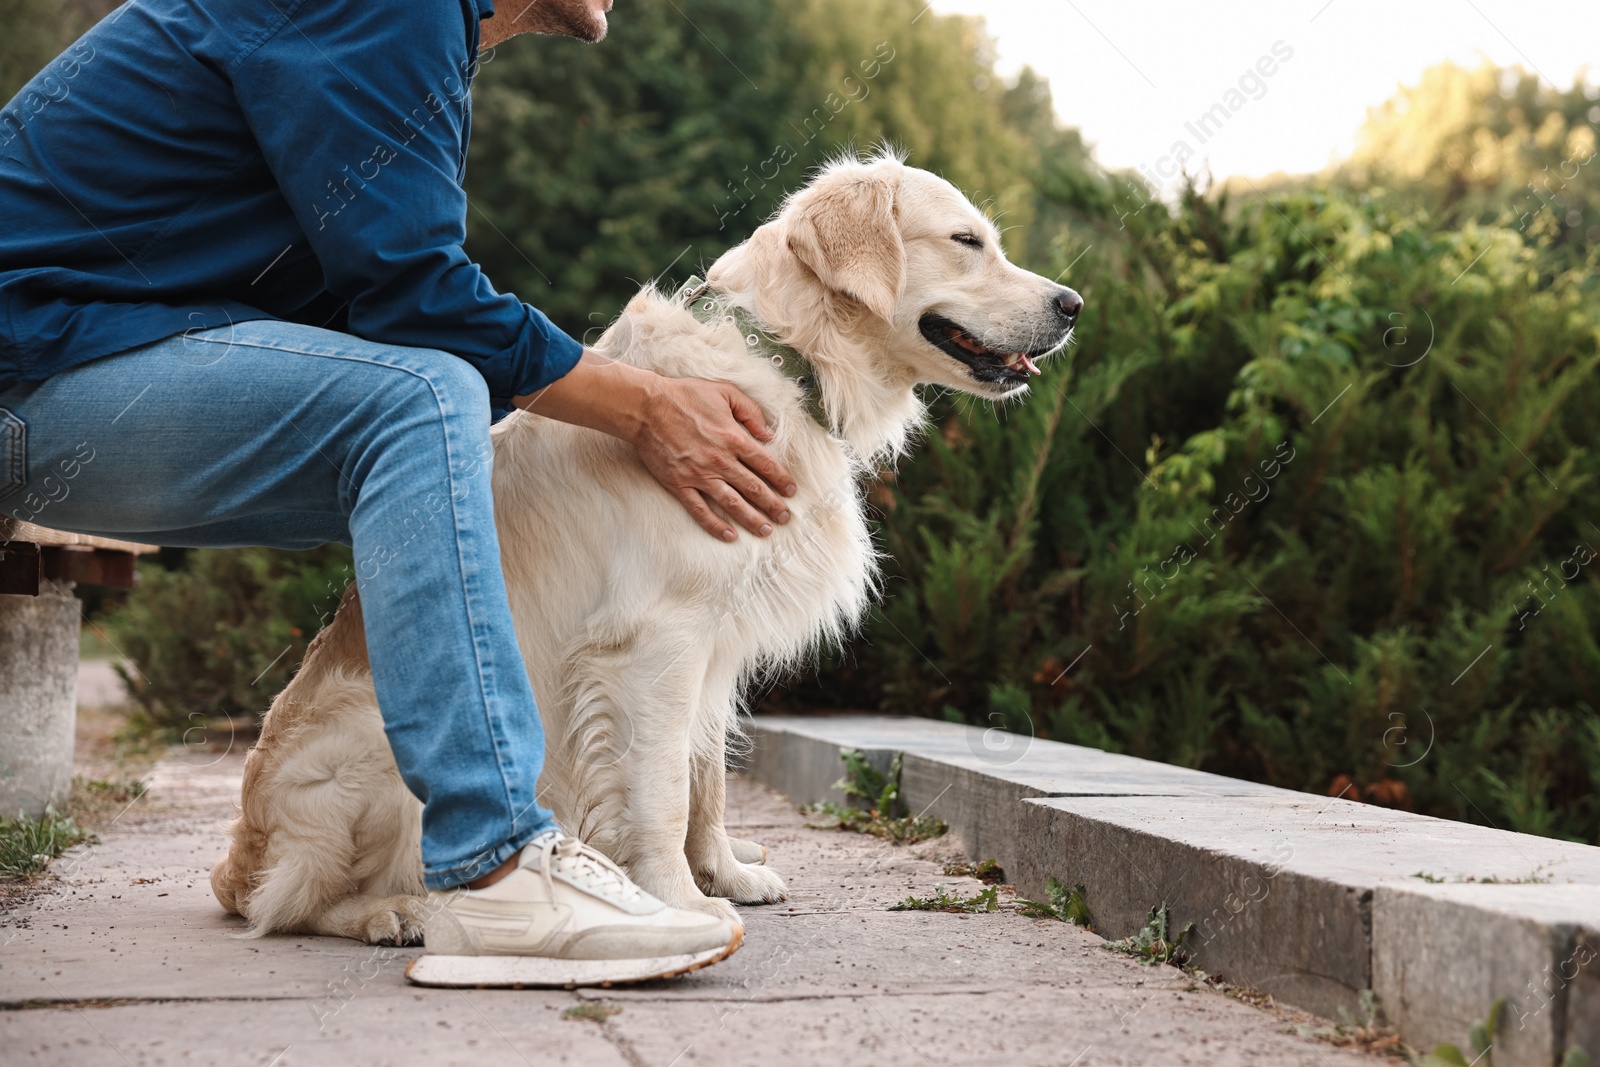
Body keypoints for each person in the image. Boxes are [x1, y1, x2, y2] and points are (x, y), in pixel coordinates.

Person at [0, 0, 791, 985]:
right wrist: (639, 405)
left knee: (440, 425)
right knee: (425, 401)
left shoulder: (415, 30)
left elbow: (378, 303)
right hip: (33, 368)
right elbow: (418, 298)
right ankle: (497, 864)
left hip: (81, 368)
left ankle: (520, 847)